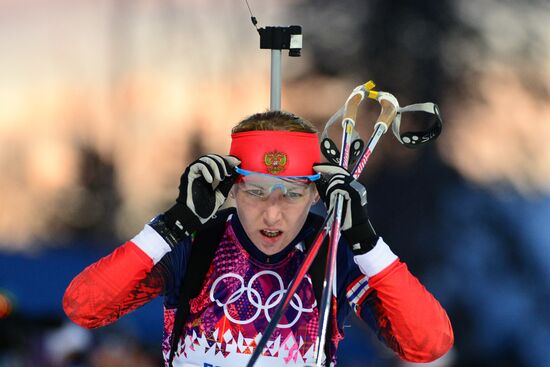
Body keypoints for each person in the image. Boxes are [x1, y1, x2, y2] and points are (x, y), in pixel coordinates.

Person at [63, 111, 454, 367]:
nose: (272, 212)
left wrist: (367, 243)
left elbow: (428, 343)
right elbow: (84, 307)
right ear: (232, 189)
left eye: (292, 192)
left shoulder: (332, 252)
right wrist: (174, 223)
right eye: (256, 191)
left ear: (316, 193)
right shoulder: (197, 244)